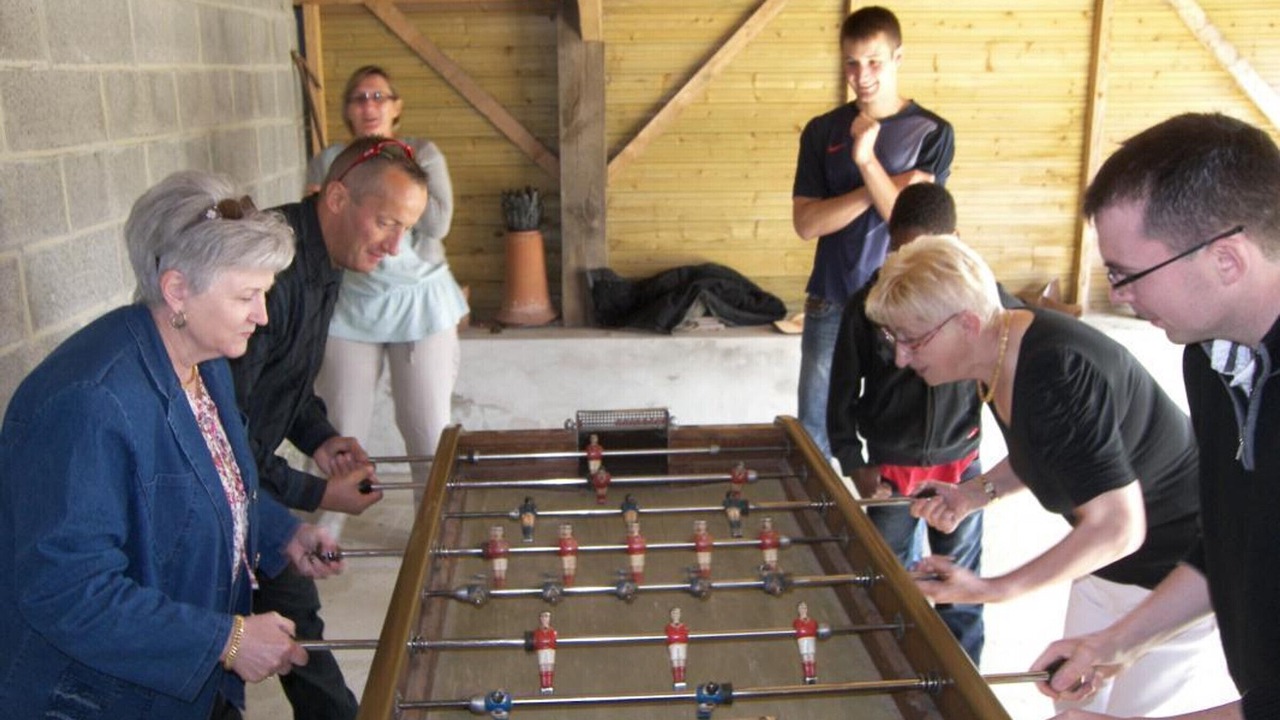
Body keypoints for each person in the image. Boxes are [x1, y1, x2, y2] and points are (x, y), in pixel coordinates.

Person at [0, 171, 345, 720]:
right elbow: (67, 593)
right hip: (94, 698)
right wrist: (226, 642)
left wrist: (283, 533)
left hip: (185, 686)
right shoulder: (90, 403)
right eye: (248, 296)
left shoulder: (202, 363)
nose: (263, 316)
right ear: (178, 289)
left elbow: (213, 486)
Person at [865, 234, 1235, 716]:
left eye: (912, 340)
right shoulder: (1003, 345)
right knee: (1071, 707)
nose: (901, 358)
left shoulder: (1055, 372)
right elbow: (1052, 451)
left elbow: (1120, 527)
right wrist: (973, 494)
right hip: (1104, 570)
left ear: (967, 324)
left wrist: (992, 588)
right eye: (895, 340)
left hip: (1177, 578)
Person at [1032, 112, 1279, 720]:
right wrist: (1116, 642)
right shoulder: (1211, 359)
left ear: (1226, 260)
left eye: (1126, 274)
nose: (1117, 296)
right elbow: (1229, 539)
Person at [232, 135, 430, 719]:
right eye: (386, 223)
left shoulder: (327, 256)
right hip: (210, 492)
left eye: (407, 230)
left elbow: (286, 384)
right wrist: (318, 493)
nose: (395, 247)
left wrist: (320, 438)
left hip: (251, 489)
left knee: (301, 629)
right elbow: (223, 429)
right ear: (338, 197)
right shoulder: (274, 271)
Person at [826, 182, 987, 662]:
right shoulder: (867, 306)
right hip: (891, 474)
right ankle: (893, 680)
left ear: (955, 241)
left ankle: (964, 688)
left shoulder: (981, 303)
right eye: (899, 250)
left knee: (960, 588)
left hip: (961, 468)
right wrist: (854, 461)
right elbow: (839, 395)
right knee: (888, 585)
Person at [305, 65, 469, 519]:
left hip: (420, 304)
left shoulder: (422, 154)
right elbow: (322, 227)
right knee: (339, 425)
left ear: (396, 107)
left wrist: (389, 190)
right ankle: (328, 530)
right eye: (359, 98)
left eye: (379, 96)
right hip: (351, 306)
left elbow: (437, 223)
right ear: (348, 112)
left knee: (425, 427)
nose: (369, 106)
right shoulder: (331, 159)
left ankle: (432, 530)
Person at [792, 5, 954, 458]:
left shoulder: (933, 132)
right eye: (851, 62)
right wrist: (881, 185)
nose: (861, 75)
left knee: (897, 435)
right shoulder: (822, 131)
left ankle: (889, 527)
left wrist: (865, 162)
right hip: (830, 301)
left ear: (898, 59)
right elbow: (807, 224)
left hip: (904, 306)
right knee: (815, 433)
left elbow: (906, 219)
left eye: (874, 62)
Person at [794, 601, 820, 684]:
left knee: (811, 656)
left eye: (804, 608)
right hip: (802, 639)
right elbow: (800, 629)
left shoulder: (812, 621)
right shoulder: (797, 622)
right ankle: (808, 676)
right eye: (801, 608)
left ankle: (813, 675)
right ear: (798, 610)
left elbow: (814, 627)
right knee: (805, 656)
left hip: (810, 638)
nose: (803, 610)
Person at [532, 611, 557, 695]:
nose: (545, 619)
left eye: (547, 617)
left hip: (550, 650)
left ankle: (549, 685)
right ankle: (544, 686)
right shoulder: (537, 632)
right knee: (543, 667)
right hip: (542, 651)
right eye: (543, 617)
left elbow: (553, 640)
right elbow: (536, 641)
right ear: (540, 619)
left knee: (549, 666)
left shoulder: (553, 632)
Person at [665, 607, 690, 689]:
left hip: (682, 645)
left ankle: (682, 680)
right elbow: (669, 636)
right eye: (674, 613)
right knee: (675, 661)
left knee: (682, 661)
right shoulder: (668, 627)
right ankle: (677, 680)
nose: (676, 615)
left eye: (677, 613)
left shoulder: (684, 626)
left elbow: (685, 635)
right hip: (673, 645)